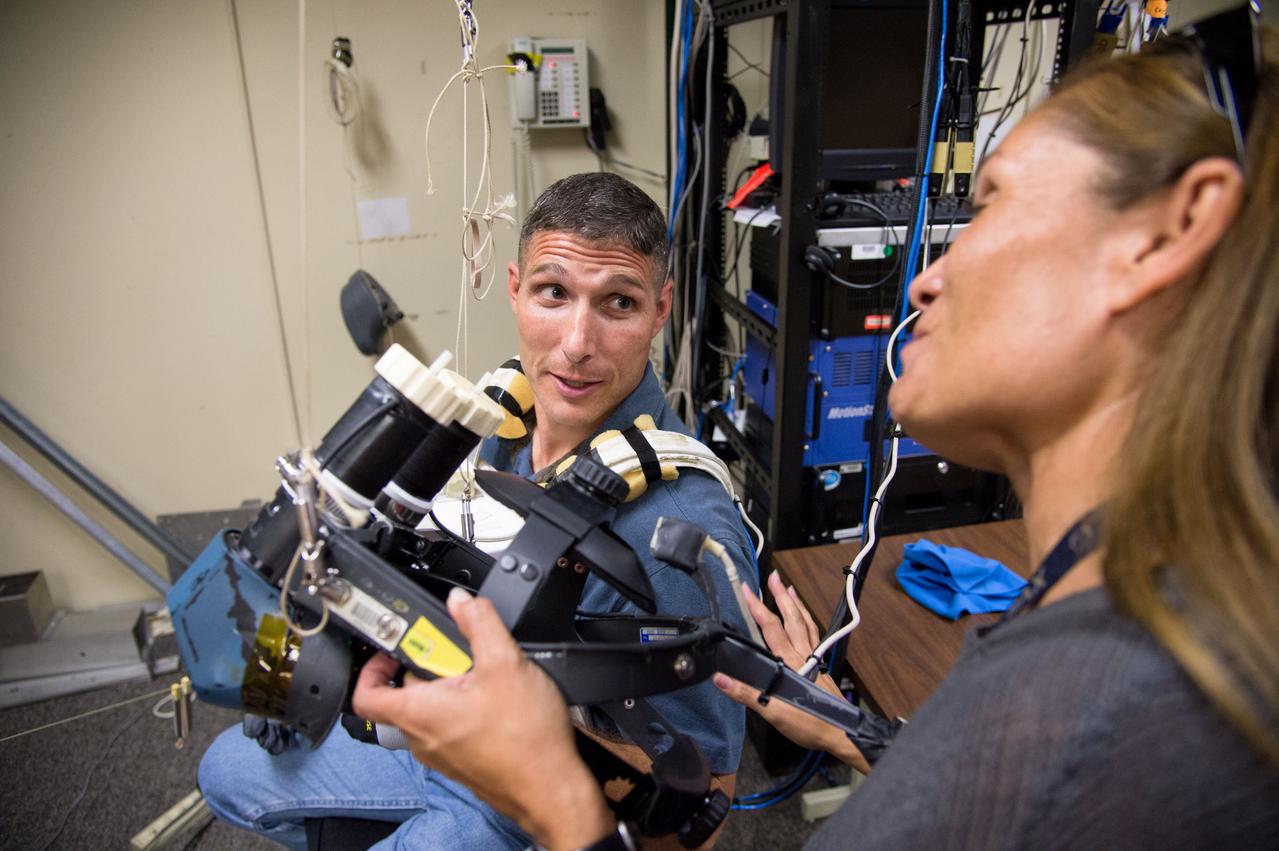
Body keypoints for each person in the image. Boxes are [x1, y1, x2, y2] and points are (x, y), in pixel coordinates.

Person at [351, 13, 1279, 850]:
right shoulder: (1116, 624)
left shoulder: (1111, 725)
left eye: (989, 202)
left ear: (1169, 234)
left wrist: (556, 797)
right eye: (552, 294)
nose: (924, 278)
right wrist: (846, 727)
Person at [198, 172, 758, 850]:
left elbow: (708, 808)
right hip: (436, 731)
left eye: (617, 303)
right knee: (227, 768)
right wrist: (293, 660)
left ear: (661, 309)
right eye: (554, 293)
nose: (577, 344)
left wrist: (530, 745)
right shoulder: (495, 427)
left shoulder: (680, 530)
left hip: (542, 795)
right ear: (515, 287)